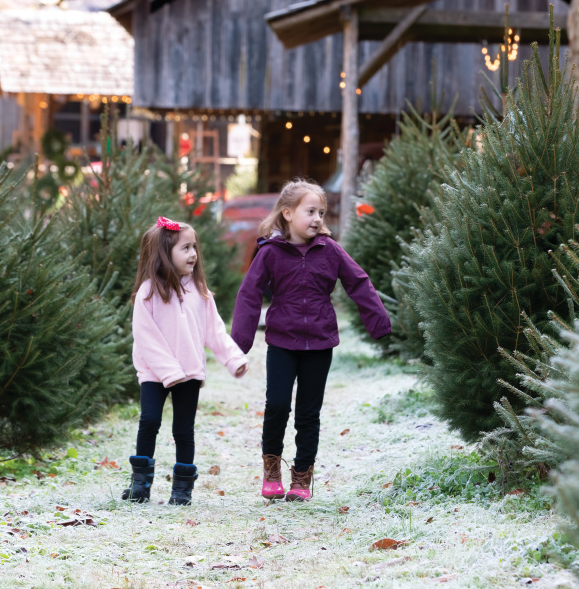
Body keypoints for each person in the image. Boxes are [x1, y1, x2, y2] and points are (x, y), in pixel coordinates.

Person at [231, 180, 391, 502]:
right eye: (310, 211)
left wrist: (379, 323)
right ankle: (272, 469)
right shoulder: (270, 252)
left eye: (321, 212)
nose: (317, 218)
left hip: (319, 342)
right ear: (288, 213)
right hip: (281, 342)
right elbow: (249, 294)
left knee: (308, 412)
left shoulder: (329, 250)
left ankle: (302, 477)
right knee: (277, 405)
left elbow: (358, 281)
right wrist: (239, 343)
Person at [123, 216, 248, 505]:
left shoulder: (200, 292)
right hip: (155, 373)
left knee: (183, 430)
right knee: (149, 421)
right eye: (185, 248)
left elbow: (215, 331)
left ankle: (182, 490)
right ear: (165, 255)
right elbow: (146, 337)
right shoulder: (148, 292)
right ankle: (140, 485)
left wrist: (233, 359)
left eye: (195, 247)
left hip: (189, 372)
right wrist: (169, 371)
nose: (193, 254)